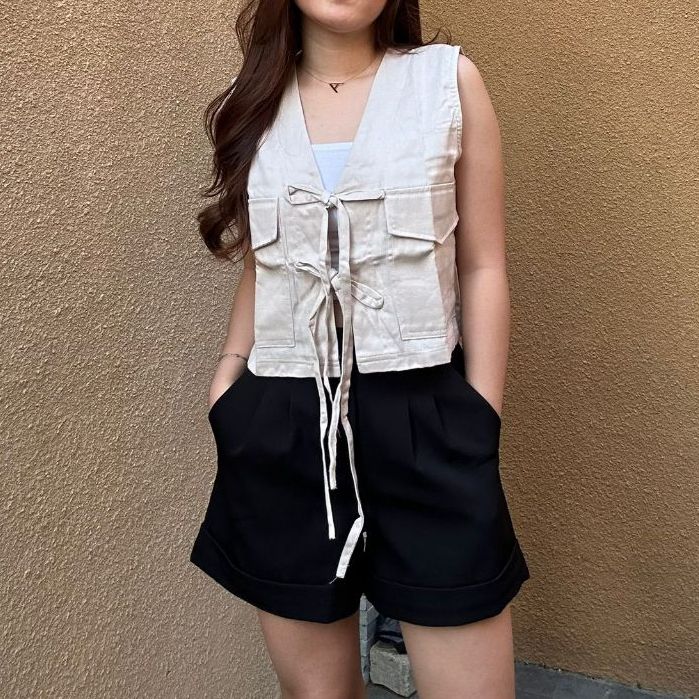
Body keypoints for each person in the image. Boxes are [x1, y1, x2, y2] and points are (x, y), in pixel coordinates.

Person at [190, 1, 531, 697]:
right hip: (284, 421)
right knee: (316, 692)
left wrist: (478, 415)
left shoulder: (447, 82)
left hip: (425, 415)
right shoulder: (255, 100)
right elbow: (264, 263)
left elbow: (483, 264)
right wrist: (228, 378)